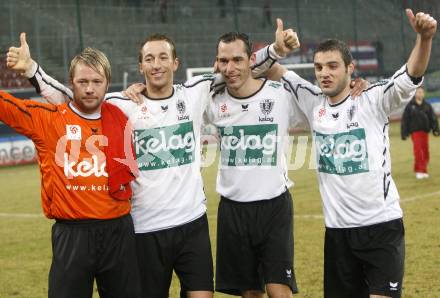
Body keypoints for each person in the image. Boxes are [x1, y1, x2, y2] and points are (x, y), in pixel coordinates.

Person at [8, 32, 226, 298]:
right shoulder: (121, 105)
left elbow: (240, 71)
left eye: (162, 57)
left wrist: (273, 51)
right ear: (141, 66)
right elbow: (71, 100)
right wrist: (32, 69)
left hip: (183, 223)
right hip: (140, 227)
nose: (156, 64)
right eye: (149, 58)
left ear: (175, 63)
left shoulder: (190, 94)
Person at [252, 10, 436, 298]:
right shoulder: (312, 101)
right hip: (337, 233)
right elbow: (260, 69)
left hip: (381, 227)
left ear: (351, 68)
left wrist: (424, 38)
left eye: (332, 66)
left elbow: (410, 75)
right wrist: (277, 49)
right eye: (319, 67)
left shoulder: (372, 99)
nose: (324, 73)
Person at [3, 39, 141, 298]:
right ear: (71, 83)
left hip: (119, 232)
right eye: (82, 82)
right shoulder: (47, 119)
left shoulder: (122, 118)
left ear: (107, 84)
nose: (90, 89)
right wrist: (30, 68)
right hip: (72, 235)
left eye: (97, 82)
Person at [401, 86, 440, 179]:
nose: (420, 94)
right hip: (415, 133)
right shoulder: (410, 106)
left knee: (426, 152)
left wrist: (436, 129)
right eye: (418, 92)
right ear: (415, 93)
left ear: (424, 93)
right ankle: (420, 171)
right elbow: (405, 120)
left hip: (425, 132)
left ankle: (422, 169)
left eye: (421, 92)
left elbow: (433, 118)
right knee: (419, 151)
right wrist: (404, 132)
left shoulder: (427, 105)